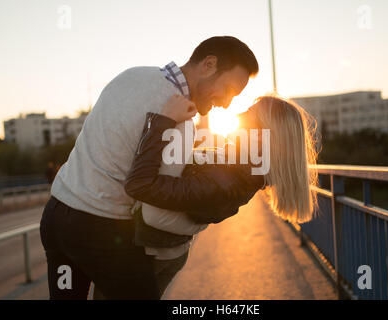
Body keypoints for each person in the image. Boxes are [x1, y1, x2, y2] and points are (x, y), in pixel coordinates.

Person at [39, 36, 259, 300]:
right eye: (229, 91)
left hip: (56, 217)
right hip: (100, 228)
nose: (226, 103)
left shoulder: (131, 75)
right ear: (208, 64)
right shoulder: (178, 118)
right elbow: (156, 200)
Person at [105, 94, 320, 298]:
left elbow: (143, 186)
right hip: (157, 248)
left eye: (248, 113)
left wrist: (163, 120)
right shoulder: (235, 167)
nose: (238, 116)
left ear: (264, 134)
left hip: (150, 253)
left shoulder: (229, 177)